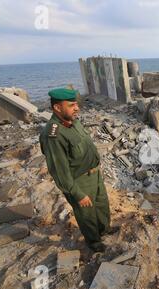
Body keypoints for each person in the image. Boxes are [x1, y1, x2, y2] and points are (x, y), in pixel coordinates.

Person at [39, 88, 115, 252]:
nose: (77, 108)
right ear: (57, 108)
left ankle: (104, 230)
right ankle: (94, 242)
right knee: (86, 214)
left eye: (76, 104)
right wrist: (76, 193)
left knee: (101, 205)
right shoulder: (53, 134)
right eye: (71, 105)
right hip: (78, 180)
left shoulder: (74, 122)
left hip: (94, 174)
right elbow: (59, 170)